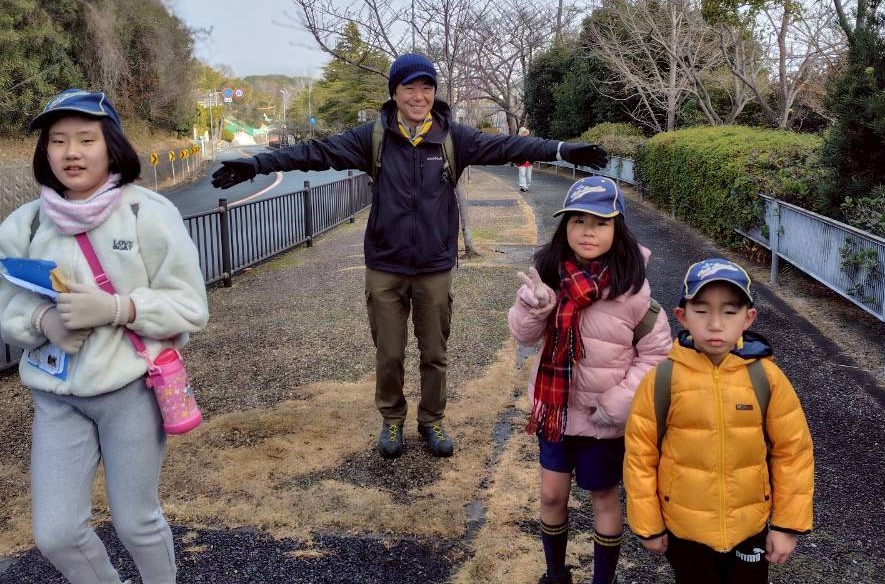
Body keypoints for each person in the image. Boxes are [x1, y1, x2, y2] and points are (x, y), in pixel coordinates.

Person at [211, 53, 608, 460]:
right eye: (410, 87)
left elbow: (509, 145)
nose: (419, 96)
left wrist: (563, 150)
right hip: (385, 265)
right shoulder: (373, 137)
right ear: (395, 93)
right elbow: (315, 152)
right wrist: (257, 164)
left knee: (435, 353)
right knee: (389, 353)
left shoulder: (452, 137)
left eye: (426, 87)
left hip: (434, 266)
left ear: (434, 93)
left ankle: (432, 420)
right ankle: (392, 418)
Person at [0, 89, 209, 584]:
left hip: (130, 391)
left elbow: (190, 307)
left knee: (134, 517)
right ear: (45, 151)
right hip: (56, 397)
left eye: (86, 139)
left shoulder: (147, 213)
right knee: (55, 531)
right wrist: (40, 324)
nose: (72, 152)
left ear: (111, 146)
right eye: (58, 141)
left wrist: (118, 308)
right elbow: (7, 305)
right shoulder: (26, 223)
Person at [623, 259, 814, 584]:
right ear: (682, 316)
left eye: (729, 311)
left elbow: (793, 452)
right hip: (686, 529)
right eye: (702, 310)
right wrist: (648, 524)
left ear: (748, 318)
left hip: (750, 524)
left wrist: (787, 524)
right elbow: (640, 456)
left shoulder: (766, 378)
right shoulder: (663, 379)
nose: (715, 323)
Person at [509, 175, 672, 584]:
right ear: (565, 228)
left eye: (599, 222)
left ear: (617, 229)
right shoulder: (549, 277)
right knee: (551, 496)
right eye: (578, 221)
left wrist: (619, 404)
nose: (587, 231)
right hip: (556, 412)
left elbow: (658, 355)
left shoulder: (633, 290)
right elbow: (523, 336)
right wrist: (535, 307)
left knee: (603, 497)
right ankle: (556, 578)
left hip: (604, 419)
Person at [516, 126, 533, 192]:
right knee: (522, 174)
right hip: (521, 161)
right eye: (523, 132)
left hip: (529, 161)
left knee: (528, 177)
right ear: (521, 133)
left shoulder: (529, 141)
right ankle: (523, 186)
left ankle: (527, 185)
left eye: (525, 132)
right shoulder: (517, 141)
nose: (525, 134)